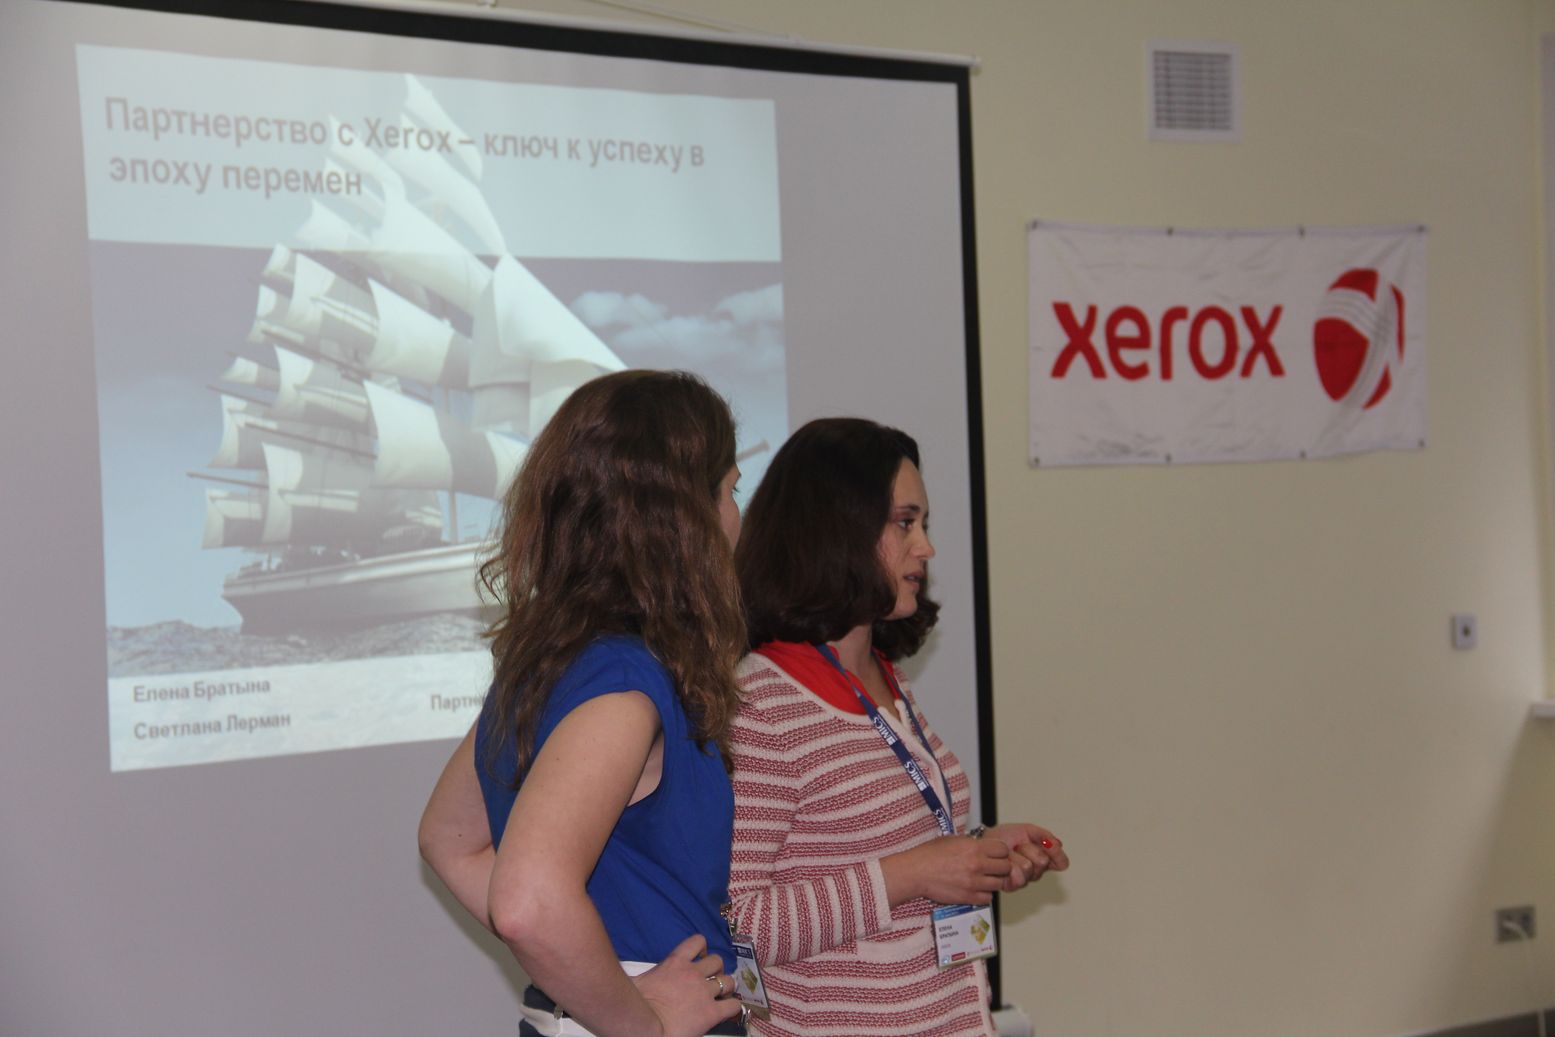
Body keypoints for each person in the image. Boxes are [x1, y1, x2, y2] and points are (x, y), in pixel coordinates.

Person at [419, 370, 748, 1037]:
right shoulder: (627, 685)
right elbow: (527, 905)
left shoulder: (549, 666)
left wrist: (589, 979)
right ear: (685, 517)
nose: (737, 517)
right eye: (731, 490)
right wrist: (644, 1021)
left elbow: (450, 841)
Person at [727, 417, 1070, 1037]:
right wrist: (911, 874)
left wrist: (979, 852)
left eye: (924, 524)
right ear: (838, 530)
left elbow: (876, 846)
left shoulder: (888, 678)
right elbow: (739, 921)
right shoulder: (763, 701)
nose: (926, 548)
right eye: (905, 523)